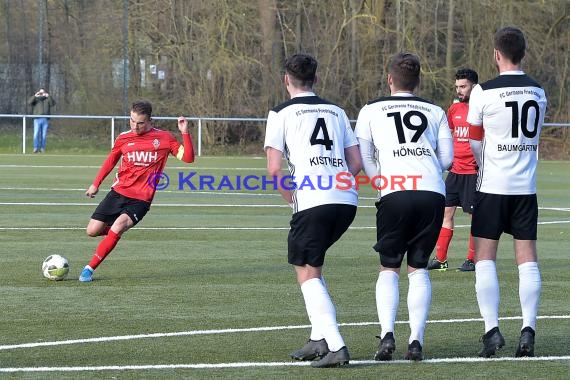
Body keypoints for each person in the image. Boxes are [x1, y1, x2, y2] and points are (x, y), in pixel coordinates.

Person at [264, 53, 362, 368]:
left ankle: (335, 344)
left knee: (304, 270)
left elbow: (274, 168)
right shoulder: (337, 110)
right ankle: (318, 337)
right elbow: (356, 162)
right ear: (315, 80)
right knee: (313, 265)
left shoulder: (280, 113)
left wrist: (292, 200)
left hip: (313, 200)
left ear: (286, 80)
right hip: (346, 201)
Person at [354, 52, 453, 361]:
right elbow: (448, 159)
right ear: (418, 81)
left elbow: (364, 155)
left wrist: (379, 182)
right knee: (419, 268)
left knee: (389, 267)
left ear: (389, 79)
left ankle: (386, 337)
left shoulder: (371, 109)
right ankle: (416, 342)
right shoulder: (435, 110)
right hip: (431, 192)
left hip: (394, 191)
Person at [467, 26, 547, 358]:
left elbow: (474, 140)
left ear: (497, 54)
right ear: (523, 53)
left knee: (485, 258)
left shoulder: (482, 91)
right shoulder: (539, 91)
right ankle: (527, 331)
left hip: (493, 186)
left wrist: (486, 165)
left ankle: (492, 330)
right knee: (526, 258)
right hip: (525, 188)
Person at [79, 100, 195, 282]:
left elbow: (188, 158)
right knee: (92, 231)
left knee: (118, 227)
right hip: (118, 192)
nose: (135, 126)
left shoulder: (164, 139)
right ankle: (112, 235)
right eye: (132, 121)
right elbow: (111, 160)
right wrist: (96, 183)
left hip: (141, 199)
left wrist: (184, 132)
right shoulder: (123, 138)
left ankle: (88, 269)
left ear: (150, 120)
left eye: (140, 123)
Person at [427, 68, 479, 272]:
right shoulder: (454, 109)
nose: (459, 90)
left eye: (463, 86)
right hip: (455, 171)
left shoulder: (482, 108)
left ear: (474, 86)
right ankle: (441, 259)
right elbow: (449, 135)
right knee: (445, 213)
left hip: (473, 173)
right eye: (457, 86)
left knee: (475, 217)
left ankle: (473, 259)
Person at [28, 88, 56, 153]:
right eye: (40, 93)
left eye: (42, 93)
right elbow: (29, 102)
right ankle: (36, 148)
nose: (41, 94)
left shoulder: (47, 99)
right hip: (37, 119)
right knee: (36, 134)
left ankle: (42, 148)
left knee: (43, 135)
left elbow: (52, 104)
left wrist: (48, 96)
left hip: (45, 119)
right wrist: (35, 96)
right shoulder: (36, 99)